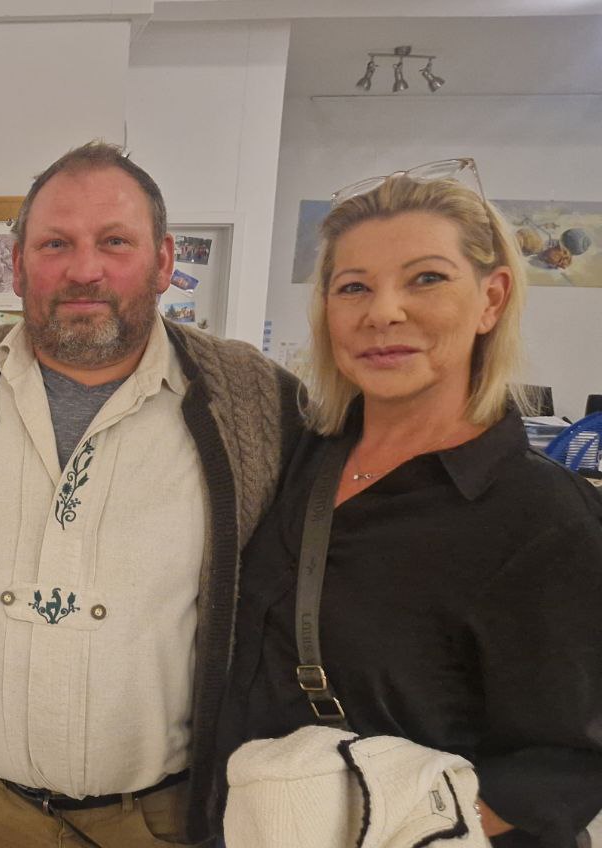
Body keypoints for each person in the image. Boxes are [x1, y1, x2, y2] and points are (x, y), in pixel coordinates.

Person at [0, 141, 304, 847]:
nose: (84, 270)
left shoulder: (257, 399)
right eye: (56, 243)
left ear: (165, 260)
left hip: (164, 820)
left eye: (115, 241)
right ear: (18, 263)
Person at [217, 159, 602, 846]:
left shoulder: (542, 521)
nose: (382, 312)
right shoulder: (299, 459)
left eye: (426, 278)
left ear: (492, 298)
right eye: (353, 287)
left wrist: (387, 826)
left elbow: (571, 765)